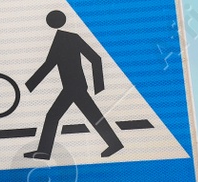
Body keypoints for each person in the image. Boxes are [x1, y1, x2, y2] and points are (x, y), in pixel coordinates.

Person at [24, 10, 124, 160]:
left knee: (54, 116)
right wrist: (30, 85)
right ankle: (114, 143)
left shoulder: (65, 38)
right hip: (72, 86)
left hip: (74, 87)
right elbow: (50, 63)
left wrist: (99, 87)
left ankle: (44, 151)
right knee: (89, 115)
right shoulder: (66, 38)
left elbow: (95, 59)